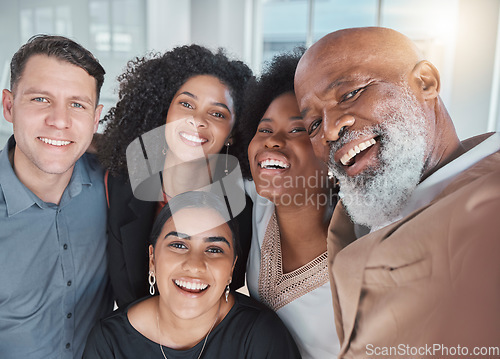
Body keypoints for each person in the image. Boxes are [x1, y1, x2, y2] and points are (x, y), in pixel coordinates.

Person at [294, 27, 500, 358]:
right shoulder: (352, 221)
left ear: (425, 83)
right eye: (314, 125)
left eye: (350, 94)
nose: (330, 130)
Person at [97, 44, 253, 308]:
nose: (196, 120)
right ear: (164, 111)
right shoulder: (119, 184)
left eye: (217, 113)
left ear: (234, 132)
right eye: (186, 104)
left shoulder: (241, 214)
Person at [83, 191, 301, 358]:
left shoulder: (261, 335)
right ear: (152, 259)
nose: (195, 265)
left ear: (232, 269)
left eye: (215, 249)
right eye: (178, 245)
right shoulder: (109, 341)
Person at [0, 35, 113, 358]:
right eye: (40, 100)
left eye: (77, 104)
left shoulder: (114, 181)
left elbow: (187, 150)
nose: (59, 121)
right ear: (9, 105)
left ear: (95, 117)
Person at [241, 50, 339, 358]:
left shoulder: (363, 252)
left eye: (298, 129)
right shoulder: (258, 200)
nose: (272, 140)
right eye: (264, 129)